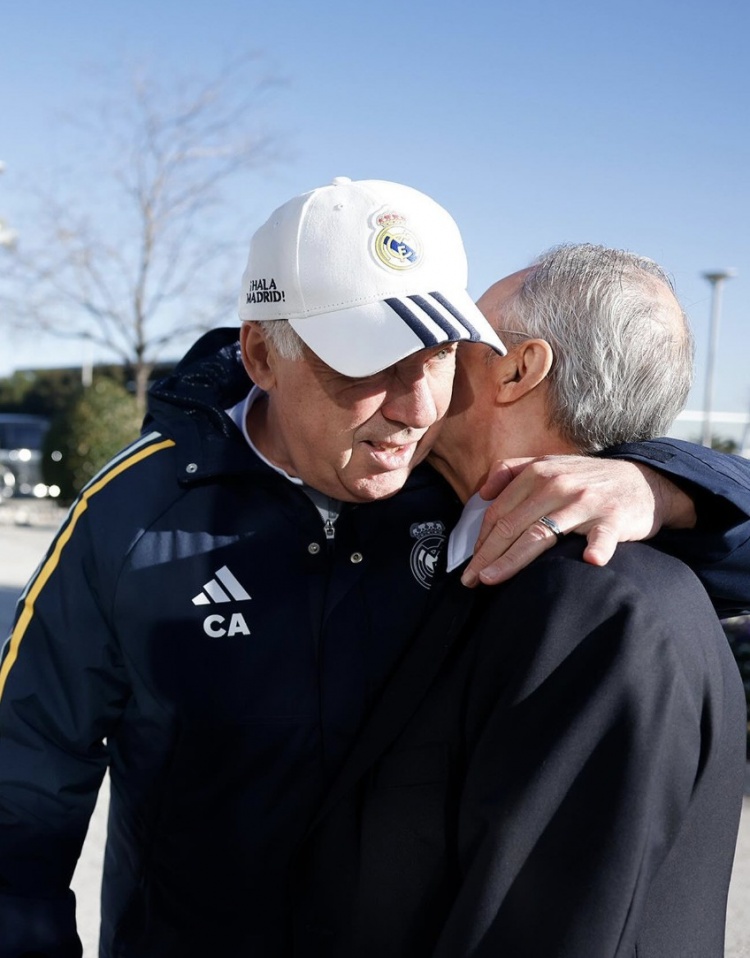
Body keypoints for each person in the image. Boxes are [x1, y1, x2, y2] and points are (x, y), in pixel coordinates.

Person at [0, 179, 748, 958]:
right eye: (370, 364)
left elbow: (691, 580)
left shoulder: (464, 486)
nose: (417, 408)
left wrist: (663, 487)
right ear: (262, 354)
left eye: (440, 355)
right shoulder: (131, 513)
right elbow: (22, 792)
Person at [293, 245, 747, 957]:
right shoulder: (462, 534)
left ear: (518, 369)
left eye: (460, 335)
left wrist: (664, 488)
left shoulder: (602, 612)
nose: (428, 353)